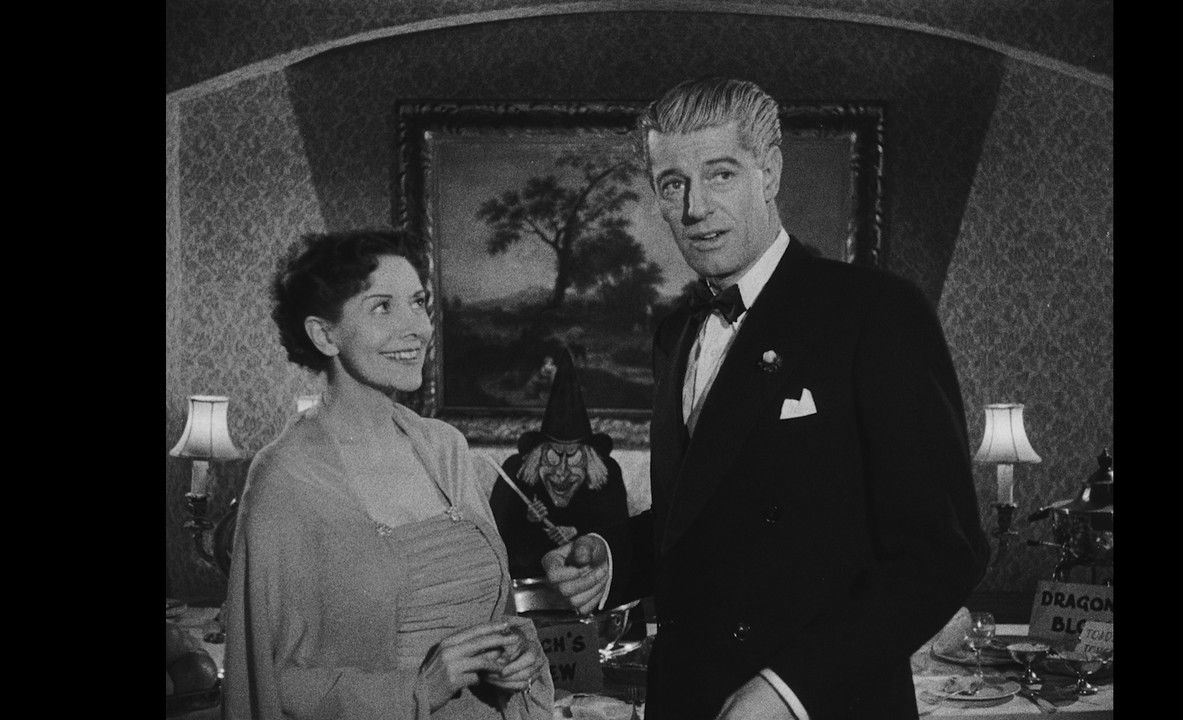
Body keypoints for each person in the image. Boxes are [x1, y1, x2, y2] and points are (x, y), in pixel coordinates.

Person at [542, 77, 991, 719]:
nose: (695, 208)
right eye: (672, 184)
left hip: (822, 705)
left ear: (770, 172)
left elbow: (943, 553)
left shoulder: (875, 313)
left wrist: (789, 690)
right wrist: (613, 559)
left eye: (720, 174)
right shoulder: (676, 332)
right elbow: (707, 519)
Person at [222, 229, 552, 720]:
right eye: (382, 307)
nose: (416, 328)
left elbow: (495, 614)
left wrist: (516, 654)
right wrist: (420, 688)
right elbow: (270, 682)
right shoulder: (286, 478)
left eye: (418, 303)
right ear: (324, 335)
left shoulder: (445, 448)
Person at [490, 347, 630, 579]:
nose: (562, 472)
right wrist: (527, 520)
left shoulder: (608, 474)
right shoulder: (515, 470)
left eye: (573, 458)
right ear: (538, 455)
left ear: (590, 459)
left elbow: (620, 539)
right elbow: (495, 542)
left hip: (588, 586)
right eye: (553, 457)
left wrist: (579, 533)